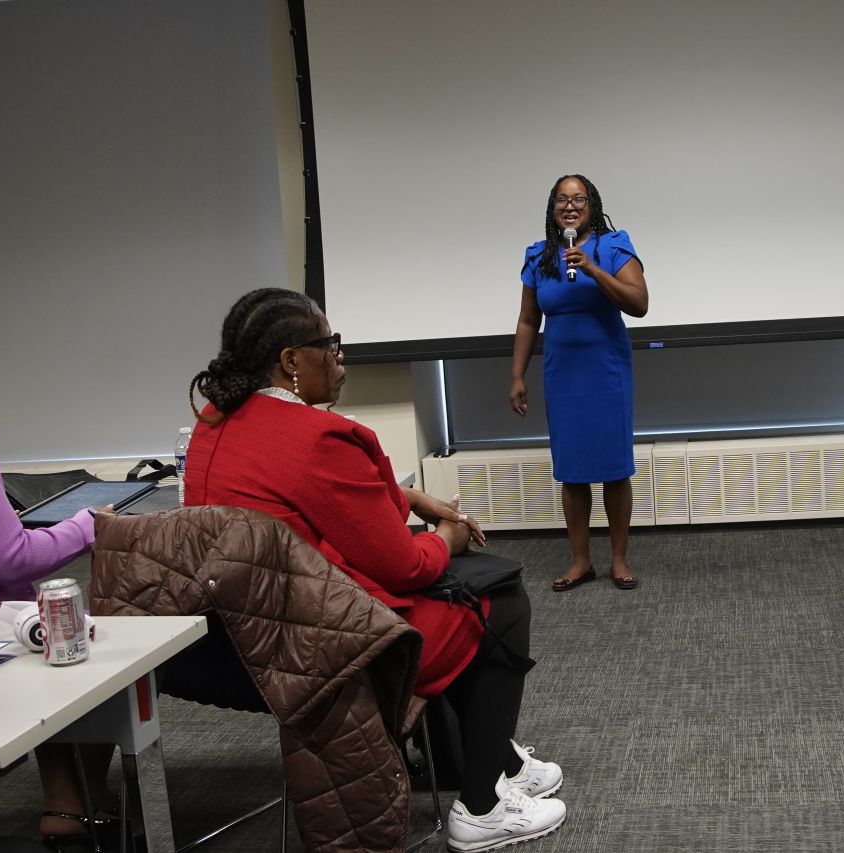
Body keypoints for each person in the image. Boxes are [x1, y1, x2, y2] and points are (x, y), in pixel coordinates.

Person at [184, 288, 566, 852]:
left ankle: (493, 757)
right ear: (291, 360)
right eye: (329, 344)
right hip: (325, 650)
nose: (340, 357)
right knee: (497, 598)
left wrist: (407, 497)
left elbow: (311, 499)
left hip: (233, 642)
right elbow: (405, 567)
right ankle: (483, 805)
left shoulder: (215, 421)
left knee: (465, 588)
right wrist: (448, 536)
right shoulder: (319, 437)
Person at [0, 292, 117, 850]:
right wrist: (91, 524)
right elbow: (3, 559)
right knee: (92, 637)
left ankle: (73, 798)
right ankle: (73, 802)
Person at [509, 174, 649, 592]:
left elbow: (639, 303)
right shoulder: (539, 256)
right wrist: (516, 374)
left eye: (578, 199)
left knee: (614, 468)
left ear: (592, 205)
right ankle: (581, 560)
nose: (569, 206)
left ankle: (619, 559)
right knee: (572, 469)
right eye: (561, 200)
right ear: (552, 208)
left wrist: (592, 268)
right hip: (562, 372)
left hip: (606, 369)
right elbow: (528, 320)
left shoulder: (613, 246)